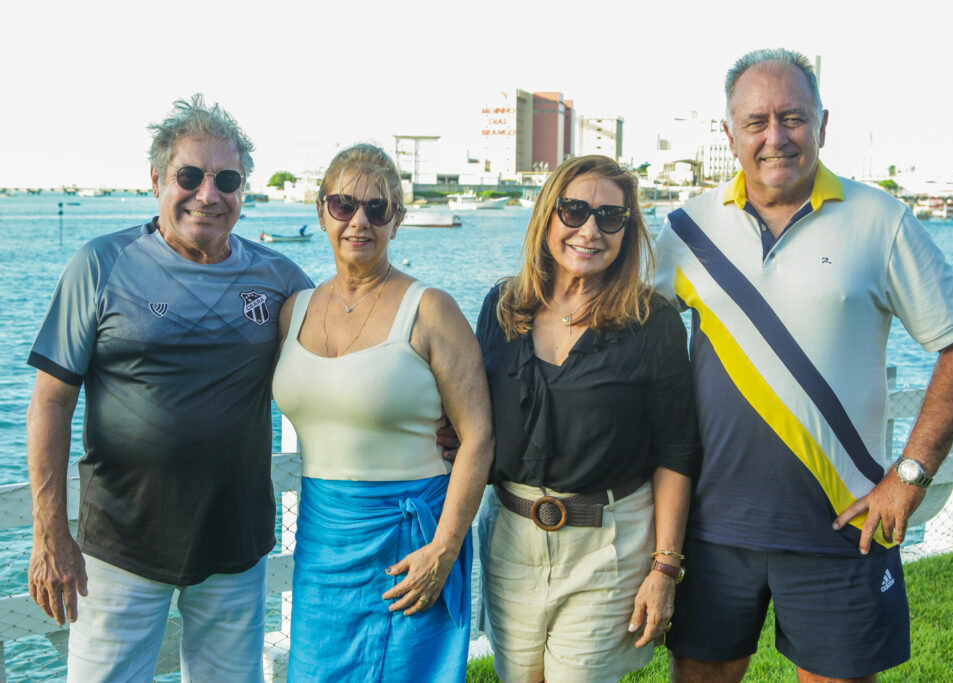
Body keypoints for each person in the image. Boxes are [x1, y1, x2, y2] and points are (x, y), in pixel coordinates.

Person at [655, 48, 953, 683]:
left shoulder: (882, 220)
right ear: (729, 134)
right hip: (711, 525)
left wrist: (911, 474)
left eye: (793, 118)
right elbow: (615, 332)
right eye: (756, 122)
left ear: (823, 123)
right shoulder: (686, 229)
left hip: (846, 522)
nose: (775, 138)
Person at [25, 94, 312, 681]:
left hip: (236, 543)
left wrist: (433, 414)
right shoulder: (101, 264)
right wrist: (50, 532)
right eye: (189, 175)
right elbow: (50, 402)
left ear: (242, 191)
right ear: (156, 179)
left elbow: (344, 358)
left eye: (226, 179)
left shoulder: (281, 279)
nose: (208, 194)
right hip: (120, 547)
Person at [475, 155, 701, 682]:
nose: (590, 230)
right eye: (574, 211)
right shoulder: (503, 306)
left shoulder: (653, 323)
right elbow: (475, 412)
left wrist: (665, 568)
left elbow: (676, 452)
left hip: (607, 549)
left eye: (610, 217)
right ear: (547, 217)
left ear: (628, 229)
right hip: (510, 539)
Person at [272, 143, 493, 682]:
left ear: (398, 219)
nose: (359, 221)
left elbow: (479, 436)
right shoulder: (293, 310)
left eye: (377, 208)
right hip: (322, 541)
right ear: (321, 211)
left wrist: (444, 549)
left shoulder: (431, 309)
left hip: (408, 541)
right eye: (344, 205)